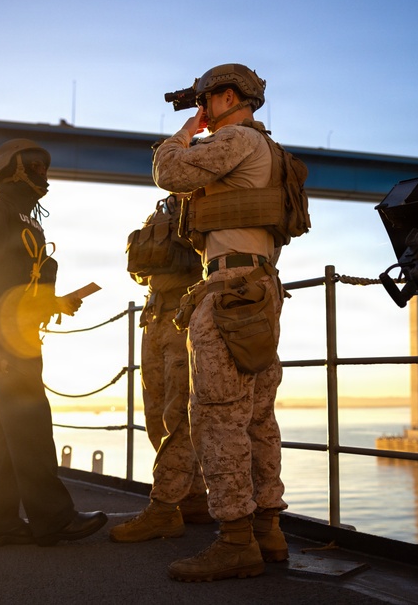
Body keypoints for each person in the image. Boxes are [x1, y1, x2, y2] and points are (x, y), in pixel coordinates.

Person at [152, 64, 301, 581]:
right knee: (257, 417)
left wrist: (183, 133)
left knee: (217, 415)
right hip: (259, 287)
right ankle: (267, 530)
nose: (203, 110)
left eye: (207, 100)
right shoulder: (268, 148)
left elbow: (170, 173)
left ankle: (236, 541)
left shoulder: (236, 138)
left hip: (231, 290)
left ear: (229, 97)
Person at [0, 138, 106, 549]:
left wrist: (56, 302)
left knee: (7, 435)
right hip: (0, 337)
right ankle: (54, 519)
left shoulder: (30, 220)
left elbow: (19, 282)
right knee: (32, 423)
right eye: (34, 164)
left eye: (45, 165)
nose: (43, 171)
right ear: (11, 168)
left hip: (20, 336)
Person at [109, 194, 210, 543]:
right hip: (154, 316)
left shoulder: (206, 202)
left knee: (178, 414)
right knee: (155, 414)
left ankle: (164, 507)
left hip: (184, 317)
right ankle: (192, 497)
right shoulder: (162, 209)